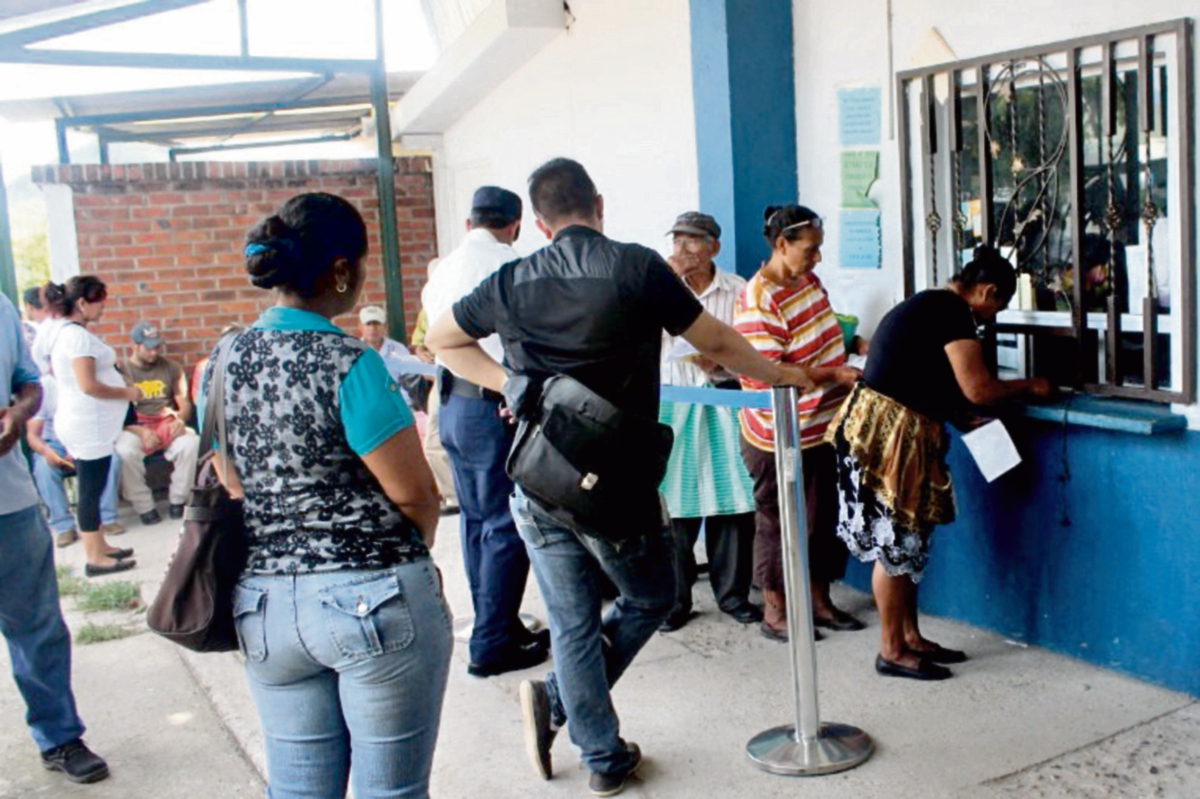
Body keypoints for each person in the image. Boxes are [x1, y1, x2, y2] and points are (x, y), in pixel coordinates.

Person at [427, 158, 815, 797]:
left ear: (542, 222)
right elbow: (716, 339)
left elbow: (442, 339)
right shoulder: (637, 268)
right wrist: (779, 376)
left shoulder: (512, 278)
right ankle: (562, 707)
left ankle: (599, 753)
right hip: (616, 484)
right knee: (651, 595)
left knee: (573, 621)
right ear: (598, 204)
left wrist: (514, 383)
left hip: (537, 479)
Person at [206, 192, 451, 798]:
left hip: (264, 609)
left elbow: (229, 479)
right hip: (370, 600)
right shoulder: (348, 362)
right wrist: (402, 567)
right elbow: (416, 494)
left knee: (296, 790)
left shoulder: (223, 357)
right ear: (342, 270)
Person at [826, 245, 1053, 681]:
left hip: (895, 432)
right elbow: (979, 389)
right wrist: (1031, 385)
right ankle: (891, 650)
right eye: (997, 306)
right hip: (892, 439)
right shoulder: (951, 312)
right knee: (894, 543)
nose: (991, 318)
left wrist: (954, 410)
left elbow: (927, 374)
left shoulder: (933, 305)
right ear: (986, 291)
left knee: (910, 541)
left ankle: (910, 637)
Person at [421, 186, 549, 678]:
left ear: (469, 221)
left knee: (477, 521)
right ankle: (493, 643)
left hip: (452, 403)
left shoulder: (445, 268)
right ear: (514, 224)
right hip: (494, 404)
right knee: (506, 523)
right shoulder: (510, 264)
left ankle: (495, 625)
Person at [734, 204, 865, 642]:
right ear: (781, 244)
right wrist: (833, 375)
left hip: (823, 425)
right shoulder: (758, 300)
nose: (817, 259)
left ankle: (818, 598)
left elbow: (828, 330)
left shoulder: (807, 281)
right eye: (810, 250)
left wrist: (855, 347)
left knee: (821, 516)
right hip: (776, 432)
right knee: (778, 520)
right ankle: (775, 609)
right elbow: (765, 372)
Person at [0, 292, 112, 785]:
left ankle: (59, 736)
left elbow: (28, 382)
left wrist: (18, 415)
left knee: (39, 629)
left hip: (11, 503)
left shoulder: (1, 308)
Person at [658, 212, 761, 631]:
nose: (682, 251)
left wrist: (720, 363)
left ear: (713, 247)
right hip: (673, 401)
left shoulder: (738, 291)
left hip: (724, 399)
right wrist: (663, 279)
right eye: (677, 241)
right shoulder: (657, 288)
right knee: (674, 507)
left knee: (733, 499)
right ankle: (674, 602)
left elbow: (754, 350)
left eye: (692, 243)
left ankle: (733, 595)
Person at [45, 278, 138, 577]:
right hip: (87, 426)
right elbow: (88, 385)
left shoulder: (72, 335)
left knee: (93, 488)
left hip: (90, 425)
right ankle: (94, 558)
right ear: (82, 303)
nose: (103, 306)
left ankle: (101, 545)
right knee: (90, 490)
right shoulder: (77, 338)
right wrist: (126, 393)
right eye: (98, 300)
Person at [114, 321, 200, 525]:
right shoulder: (121, 371)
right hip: (136, 426)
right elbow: (118, 415)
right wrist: (142, 433)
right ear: (134, 346)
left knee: (192, 443)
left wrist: (180, 419)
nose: (154, 352)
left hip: (166, 420)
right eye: (149, 347)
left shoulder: (172, 368)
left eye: (157, 346)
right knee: (124, 452)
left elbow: (184, 403)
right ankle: (145, 506)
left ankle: (178, 500)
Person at [27, 373, 124, 547]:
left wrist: (79, 448)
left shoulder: (89, 383)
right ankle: (64, 527)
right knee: (43, 468)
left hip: (86, 439)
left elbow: (105, 421)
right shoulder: (45, 387)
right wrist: (46, 452)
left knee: (112, 460)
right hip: (53, 443)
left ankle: (107, 518)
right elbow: (32, 434)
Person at [415, 260, 459, 514]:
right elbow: (420, 343)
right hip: (440, 377)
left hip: (464, 375)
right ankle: (451, 495)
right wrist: (422, 353)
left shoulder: (459, 300)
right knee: (434, 438)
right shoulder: (428, 307)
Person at [358, 305, 429, 414]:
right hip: (367, 409)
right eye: (368, 324)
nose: (372, 328)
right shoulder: (354, 351)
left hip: (399, 407)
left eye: (377, 324)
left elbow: (410, 382)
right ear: (360, 327)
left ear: (385, 326)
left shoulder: (398, 349)